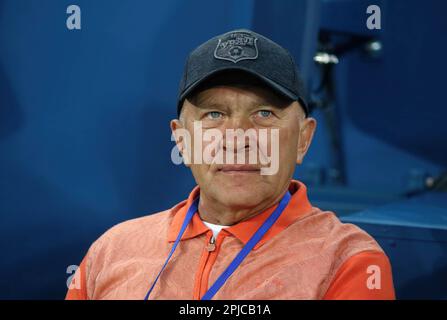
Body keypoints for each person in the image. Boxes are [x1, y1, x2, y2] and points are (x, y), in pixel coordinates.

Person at [66, 29, 395, 300]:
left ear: (303, 139)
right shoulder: (112, 249)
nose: (237, 138)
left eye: (264, 114)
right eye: (214, 114)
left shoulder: (349, 263)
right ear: (181, 140)